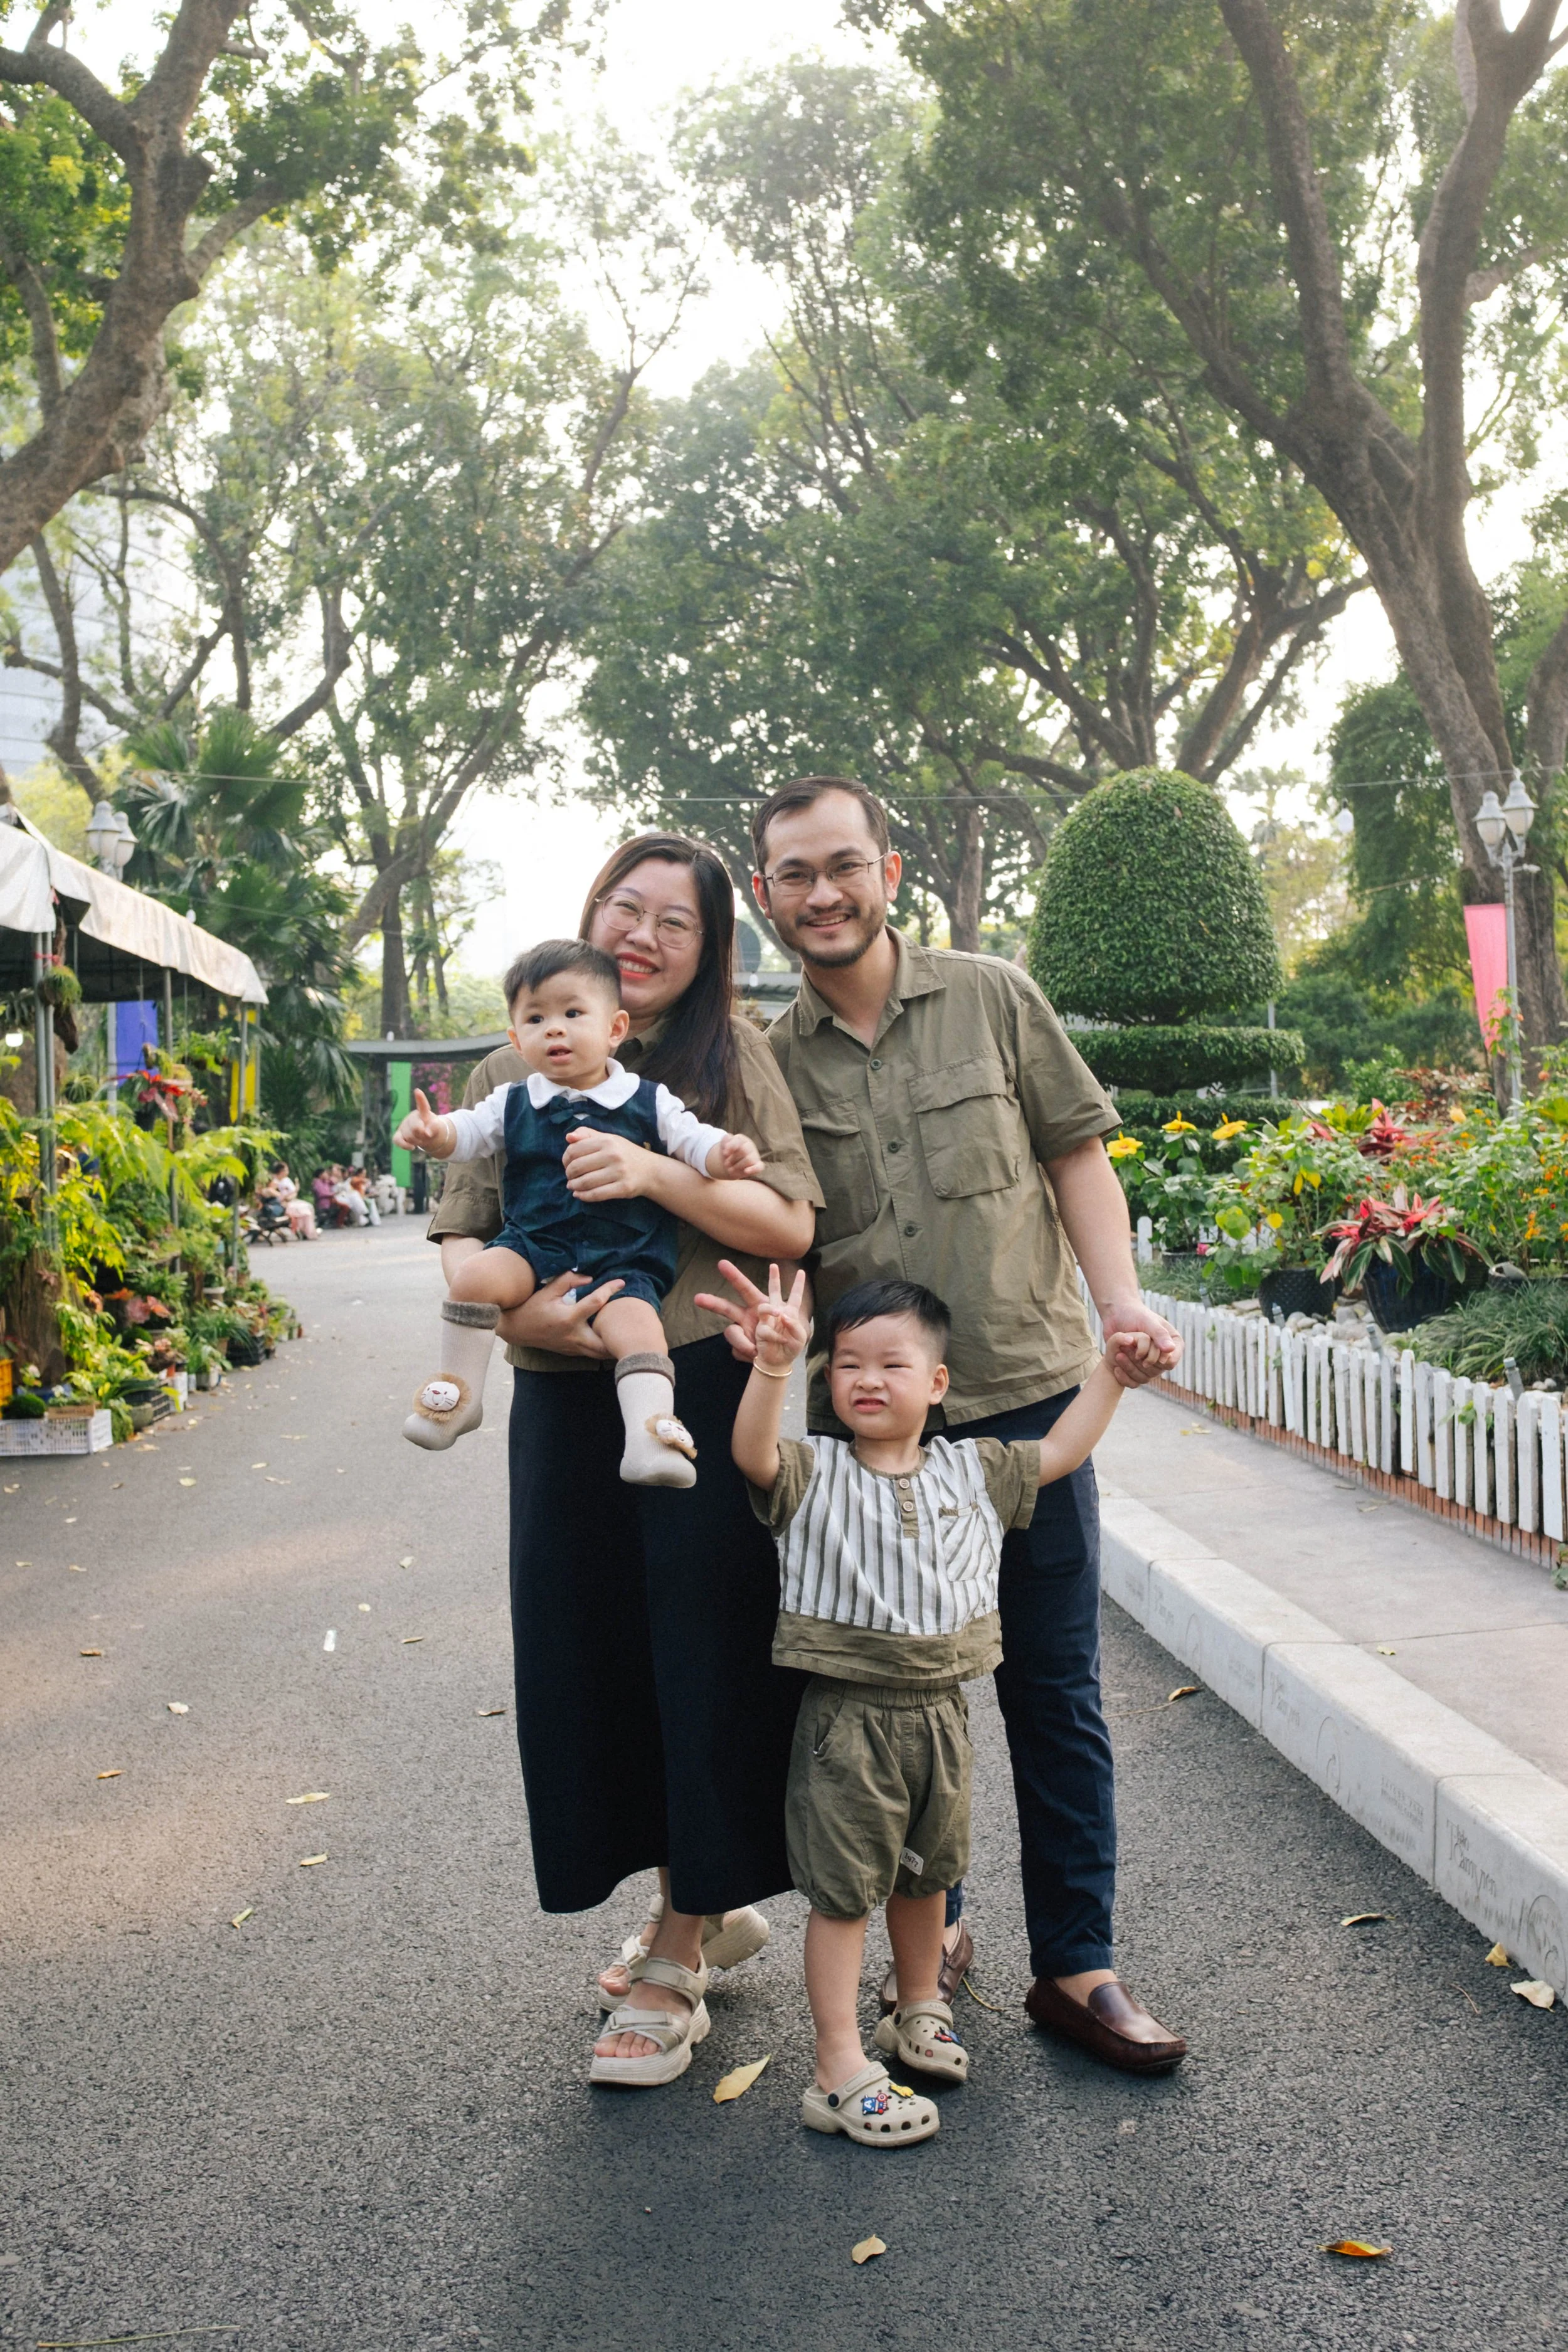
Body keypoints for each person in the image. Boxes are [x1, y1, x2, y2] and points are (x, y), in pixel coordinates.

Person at [697, 775, 1188, 2075]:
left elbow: (1075, 1152)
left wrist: (1120, 1305)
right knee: (879, 1696)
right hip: (864, 1437)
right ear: (764, 896)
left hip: (1019, 1385)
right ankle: (933, 1945)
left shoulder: (991, 997)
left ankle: (1077, 1965)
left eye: (840, 866)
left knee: (1050, 1687)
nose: (820, 894)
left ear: (890, 871)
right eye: (792, 875)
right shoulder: (767, 1060)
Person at [425, 835, 824, 2085]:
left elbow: (792, 1222)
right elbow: (462, 1239)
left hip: (694, 1394)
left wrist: (655, 1166)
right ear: (589, 913)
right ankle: (699, 1902)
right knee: (590, 1659)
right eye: (624, 907)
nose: (643, 934)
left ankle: (675, 1956)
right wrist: (517, 1318)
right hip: (561, 1403)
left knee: (699, 1663)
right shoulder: (514, 1062)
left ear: (709, 953)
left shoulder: (719, 1059)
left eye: (677, 923)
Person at [733, 1269, 1147, 2147]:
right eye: (847, 1364)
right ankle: (836, 2062)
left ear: (939, 1382)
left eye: (892, 1362)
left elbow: (1063, 1448)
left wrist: (1111, 1369)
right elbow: (753, 1455)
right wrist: (773, 1365)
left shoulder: (976, 1467)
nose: (869, 1379)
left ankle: (917, 2005)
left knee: (928, 1872)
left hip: (942, 1712)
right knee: (846, 1892)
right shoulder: (815, 1470)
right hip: (848, 1719)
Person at [396, 939, 765, 1482]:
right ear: (516, 1040)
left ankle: (649, 1437)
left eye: (573, 1013)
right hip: (531, 1247)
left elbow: (694, 1142)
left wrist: (724, 1155)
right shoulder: (513, 1099)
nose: (555, 1029)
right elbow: (468, 1134)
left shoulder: (648, 1098)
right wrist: (434, 1133)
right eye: (536, 1018)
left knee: (640, 1333)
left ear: (614, 1028)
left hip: (625, 1262)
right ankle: (461, 1393)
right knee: (473, 1277)